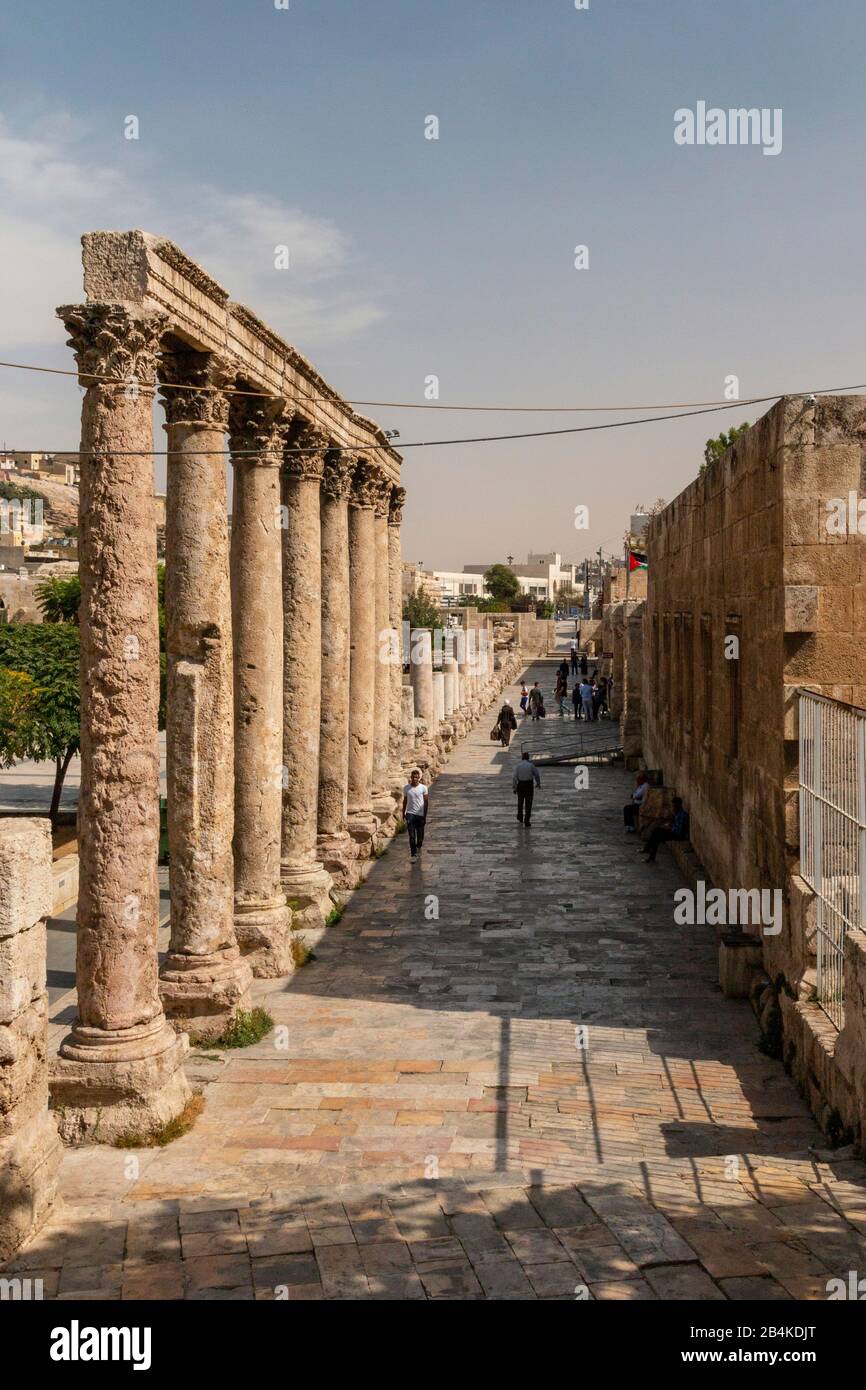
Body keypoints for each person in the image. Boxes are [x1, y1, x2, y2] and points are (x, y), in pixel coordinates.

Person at [642, 797, 690, 863]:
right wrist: (670, 825)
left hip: (679, 835)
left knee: (657, 832)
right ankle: (650, 855)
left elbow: (679, 830)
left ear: (678, 805)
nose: (673, 807)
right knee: (656, 835)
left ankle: (648, 850)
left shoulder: (683, 815)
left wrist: (670, 828)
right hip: (674, 832)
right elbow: (676, 825)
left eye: (674, 806)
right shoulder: (677, 813)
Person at [401, 769, 429, 862]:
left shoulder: (423, 788)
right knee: (412, 836)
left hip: (420, 814)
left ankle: (418, 847)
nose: (414, 779)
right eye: (413, 777)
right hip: (410, 814)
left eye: (416, 777)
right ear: (411, 777)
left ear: (419, 778)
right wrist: (403, 813)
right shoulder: (406, 788)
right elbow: (404, 801)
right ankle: (413, 854)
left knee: (420, 837)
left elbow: (426, 802)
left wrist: (424, 816)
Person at [513, 751, 541, 826]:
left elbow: (514, 777)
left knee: (520, 802)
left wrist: (514, 788)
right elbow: (537, 775)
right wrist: (538, 783)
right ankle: (527, 820)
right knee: (528, 803)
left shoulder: (518, 766)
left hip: (521, 785)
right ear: (528, 758)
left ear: (522, 758)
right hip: (529, 785)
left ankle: (520, 817)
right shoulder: (531, 765)